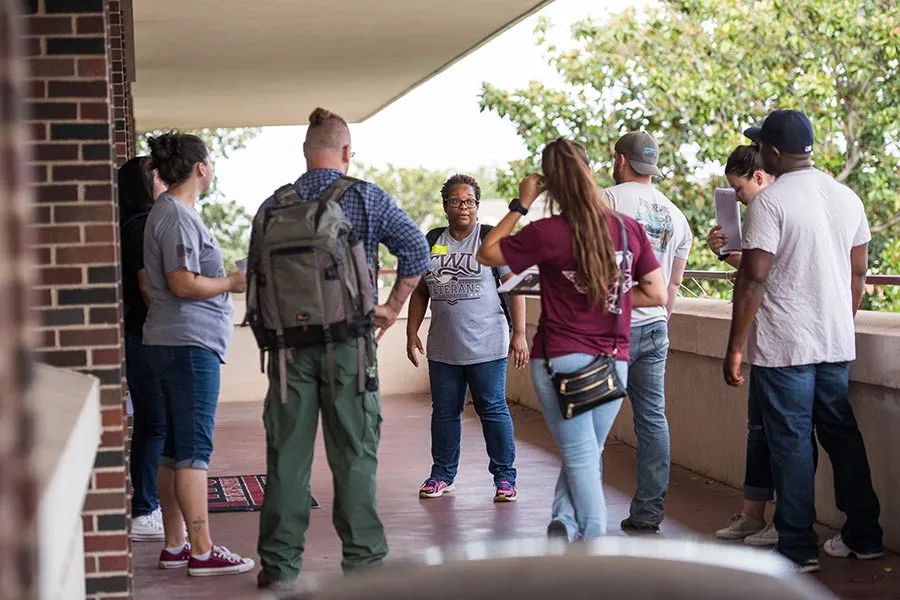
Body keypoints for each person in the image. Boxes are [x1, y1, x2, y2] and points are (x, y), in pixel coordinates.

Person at [254, 107, 429, 590]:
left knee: (287, 458)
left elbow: (255, 279)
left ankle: (279, 566)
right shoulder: (366, 198)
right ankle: (364, 567)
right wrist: (392, 308)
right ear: (347, 152)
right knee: (353, 455)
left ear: (306, 153)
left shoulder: (273, 205)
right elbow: (416, 250)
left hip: (288, 352)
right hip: (350, 347)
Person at [476, 138, 668, 541]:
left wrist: (521, 203)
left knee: (580, 453)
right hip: (614, 360)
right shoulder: (625, 228)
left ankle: (594, 548)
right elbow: (656, 293)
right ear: (589, 171)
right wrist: (604, 292)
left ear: (550, 183)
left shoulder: (547, 232)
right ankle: (564, 521)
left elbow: (487, 253)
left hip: (561, 358)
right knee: (587, 451)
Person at [724, 109, 883, 573]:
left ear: (772, 152)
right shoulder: (847, 197)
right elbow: (858, 272)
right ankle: (864, 534)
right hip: (835, 342)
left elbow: (753, 279)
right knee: (842, 437)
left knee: (790, 441)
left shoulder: (770, 203)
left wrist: (736, 346)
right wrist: (838, 320)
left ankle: (797, 545)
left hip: (784, 345)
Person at [143, 132, 253, 576]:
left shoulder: (175, 212)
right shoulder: (175, 216)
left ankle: (175, 545)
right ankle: (203, 551)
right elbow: (182, 282)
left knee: (173, 450)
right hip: (187, 345)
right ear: (201, 168)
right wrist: (231, 282)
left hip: (175, 342)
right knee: (193, 452)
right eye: (210, 160)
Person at [406, 174, 528, 502]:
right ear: (445, 205)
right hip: (444, 348)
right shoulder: (432, 240)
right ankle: (442, 475)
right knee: (444, 412)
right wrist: (410, 331)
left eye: (470, 201)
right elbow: (420, 291)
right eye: (457, 201)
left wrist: (519, 333)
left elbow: (514, 287)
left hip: (487, 345)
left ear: (477, 205)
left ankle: (505, 479)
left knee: (492, 409)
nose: (464, 207)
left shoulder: (489, 240)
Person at [603, 132, 692, 533]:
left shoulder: (607, 200)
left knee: (588, 420)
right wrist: (661, 320)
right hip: (656, 325)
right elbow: (672, 285)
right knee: (652, 421)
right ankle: (648, 514)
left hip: (610, 329)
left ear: (620, 160)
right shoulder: (677, 216)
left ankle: (579, 513)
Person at [119, 156, 168, 542]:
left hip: (139, 335)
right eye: (158, 176)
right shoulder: (141, 227)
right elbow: (147, 285)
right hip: (144, 335)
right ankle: (144, 510)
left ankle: (146, 504)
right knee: (155, 423)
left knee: (153, 422)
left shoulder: (130, 225)